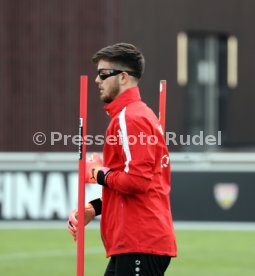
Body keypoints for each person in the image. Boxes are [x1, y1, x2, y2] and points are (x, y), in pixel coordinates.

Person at [68, 43, 177, 275]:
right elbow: (133, 185)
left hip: (140, 241)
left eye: (103, 74)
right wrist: (94, 208)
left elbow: (136, 181)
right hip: (132, 242)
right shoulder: (132, 116)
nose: (97, 80)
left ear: (124, 77)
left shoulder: (131, 118)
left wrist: (97, 173)